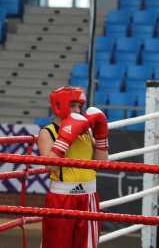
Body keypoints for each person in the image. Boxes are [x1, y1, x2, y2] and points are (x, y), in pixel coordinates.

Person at [38, 85, 109, 248]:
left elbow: (102, 163)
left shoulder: (86, 132)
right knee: (56, 244)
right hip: (61, 198)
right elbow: (50, 167)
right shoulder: (47, 132)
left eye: (79, 106)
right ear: (59, 105)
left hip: (88, 197)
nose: (77, 110)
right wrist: (65, 138)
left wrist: (101, 137)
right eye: (72, 105)